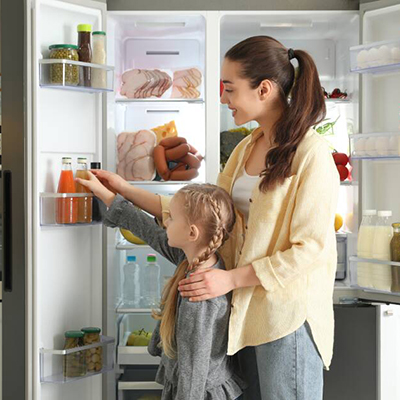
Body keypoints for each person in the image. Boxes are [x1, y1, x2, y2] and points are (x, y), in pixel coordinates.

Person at [88, 35, 339, 400]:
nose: (223, 97)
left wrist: (229, 279)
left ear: (264, 89)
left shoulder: (312, 155)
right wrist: (124, 189)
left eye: (230, 88)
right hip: (243, 313)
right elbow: (203, 216)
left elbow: (309, 249)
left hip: (286, 319)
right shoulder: (245, 149)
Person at [75, 176, 246, 400]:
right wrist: (109, 195)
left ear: (191, 233)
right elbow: (147, 229)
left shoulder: (198, 294)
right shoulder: (196, 259)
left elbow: (193, 368)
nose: (165, 223)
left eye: (172, 219)